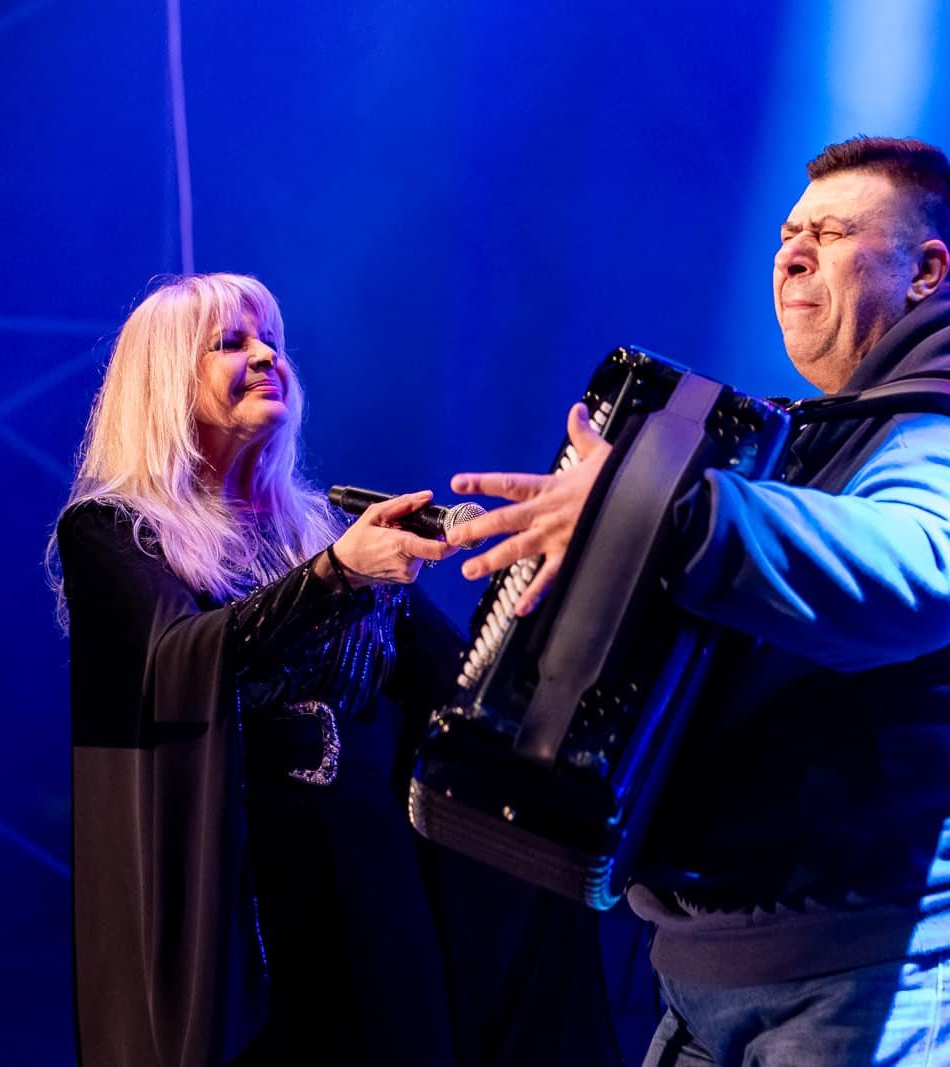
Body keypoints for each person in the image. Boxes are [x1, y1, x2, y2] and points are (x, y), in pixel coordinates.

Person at [448, 137, 950, 1065]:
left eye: (833, 233)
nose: (793, 255)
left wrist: (663, 519)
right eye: (787, 235)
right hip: (743, 961)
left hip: (930, 946)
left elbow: (926, 568)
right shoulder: (831, 435)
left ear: (926, 270)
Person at [50, 273, 617, 1067]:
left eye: (272, 341)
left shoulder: (327, 525)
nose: (265, 357)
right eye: (231, 343)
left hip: (371, 865)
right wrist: (335, 576)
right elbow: (173, 661)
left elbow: (463, 687)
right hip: (241, 882)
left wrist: (568, 569)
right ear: (163, 379)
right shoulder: (115, 531)